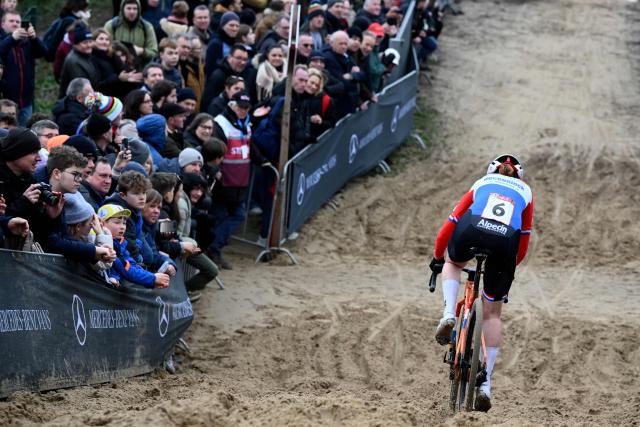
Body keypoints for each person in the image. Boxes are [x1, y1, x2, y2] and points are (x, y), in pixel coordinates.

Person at [429, 154, 534, 412]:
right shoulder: (526, 192)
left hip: (472, 230)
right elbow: (523, 241)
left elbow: (450, 224)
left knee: (453, 264)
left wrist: (437, 258)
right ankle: (485, 385)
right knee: (492, 313)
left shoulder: (481, 182)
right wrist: (506, 272)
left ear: (492, 171)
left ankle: (447, 314)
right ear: (517, 175)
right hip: (505, 242)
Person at [98, 203, 170, 288]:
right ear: (102, 224)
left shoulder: (121, 242)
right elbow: (125, 268)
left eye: (124, 223)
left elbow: (131, 263)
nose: (122, 227)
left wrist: (153, 278)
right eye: (117, 222)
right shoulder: (101, 243)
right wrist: (153, 278)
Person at [0, 11, 47, 126]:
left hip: (26, 102)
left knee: (24, 133)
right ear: (2, 24)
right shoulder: (3, 40)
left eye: (18, 22)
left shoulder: (27, 42)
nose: (15, 24)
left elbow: (44, 52)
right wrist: (11, 39)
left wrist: (34, 38)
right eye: (11, 21)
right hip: (5, 101)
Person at [104, 0, 158, 66]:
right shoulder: (111, 25)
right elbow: (104, 49)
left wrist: (142, 51)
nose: (132, 12)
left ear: (139, 10)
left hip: (140, 68)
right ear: (122, 9)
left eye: (135, 9)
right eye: (128, 8)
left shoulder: (147, 27)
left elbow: (154, 52)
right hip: (116, 66)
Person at [58, 23, 97, 99]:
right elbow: (82, 90)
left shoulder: (87, 54)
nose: (89, 45)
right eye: (85, 43)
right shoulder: (74, 62)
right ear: (76, 44)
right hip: (77, 103)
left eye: (90, 41)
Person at [204, 11, 240, 77]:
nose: (234, 28)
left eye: (237, 26)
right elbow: (210, 69)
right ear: (223, 26)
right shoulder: (215, 43)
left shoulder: (235, 44)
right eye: (231, 25)